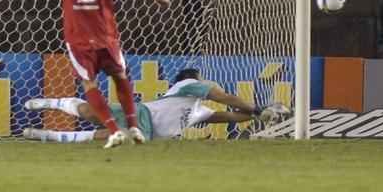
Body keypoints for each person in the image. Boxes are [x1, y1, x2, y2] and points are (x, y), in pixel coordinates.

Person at [40, 0, 171, 150]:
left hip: (78, 37)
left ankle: (114, 130)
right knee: (120, 78)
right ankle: (133, 126)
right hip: (106, 35)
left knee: (89, 85)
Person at [23, 68, 287, 143]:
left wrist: (258, 118)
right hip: (141, 113)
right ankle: (52, 102)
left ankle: (48, 137)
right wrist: (258, 108)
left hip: (147, 131)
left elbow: (230, 115)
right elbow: (225, 98)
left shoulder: (200, 112)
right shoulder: (186, 87)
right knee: (91, 113)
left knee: (112, 133)